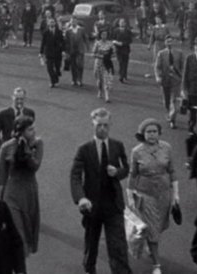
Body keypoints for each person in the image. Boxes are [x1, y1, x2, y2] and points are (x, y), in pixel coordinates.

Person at [69, 108, 132, 274]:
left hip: (113, 205)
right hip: (92, 206)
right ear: (93, 124)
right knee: (91, 245)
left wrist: (117, 172)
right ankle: (89, 269)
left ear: (110, 125)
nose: (102, 129)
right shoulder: (84, 149)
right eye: (99, 125)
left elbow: (126, 168)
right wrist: (81, 198)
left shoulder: (117, 146)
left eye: (105, 125)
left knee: (118, 247)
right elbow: (75, 176)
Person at [127, 119, 179, 274]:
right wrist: (130, 196)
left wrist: (176, 194)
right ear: (142, 134)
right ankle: (156, 265)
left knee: (160, 226)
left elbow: (172, 171)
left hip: (164, 195)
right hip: (145, 195)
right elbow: (132, 174)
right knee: (152, 229)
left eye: (154, 131)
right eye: (148, 132)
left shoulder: (167, 148)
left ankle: (151, 245)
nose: (151, 134)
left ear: (159, 133)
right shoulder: (137, 151)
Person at [0, 115, 43, 257]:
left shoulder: (38, 144)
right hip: (12, 193)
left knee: (28, 232)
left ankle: (20, 265)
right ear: (21, 131)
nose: (33, 131)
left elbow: (35, 166)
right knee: (17, 235)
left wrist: (27, 151)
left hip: (29, 193)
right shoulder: (6, 147)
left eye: (33, 128)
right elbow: (1, 175)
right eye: (30, 129)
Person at [0, 87, 36, 153]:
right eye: (17, 99)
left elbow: (32, 132)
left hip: (26, 151)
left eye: (21, 99)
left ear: (25, 99)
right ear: (12, 97)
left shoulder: (30, 113)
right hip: (8, 151)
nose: (19, 101)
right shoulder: (3, 113)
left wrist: (32, 148)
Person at [154, 35, 184, 128]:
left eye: (171, 41)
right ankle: (168, 112)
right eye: (167, 41)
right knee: (167, 100)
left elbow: (183, 66)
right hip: (165, 79)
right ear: (165, 43)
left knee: (174, 100)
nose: (169, 43)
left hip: (176, 80)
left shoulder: (179, 53)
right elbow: (157, 67)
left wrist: (182, 76)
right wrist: (158, 77)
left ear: (174, 42)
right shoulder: (161, 53)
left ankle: (172, 119)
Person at [39, 17, 65, 87]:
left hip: (57, 53)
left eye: (53, 22)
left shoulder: (59, 32)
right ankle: (52, 81)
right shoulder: (45, 33)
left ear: (55, 23)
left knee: (57, 68)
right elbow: (43, 43)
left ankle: (56, 79)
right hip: (49, 53)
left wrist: (63, 50)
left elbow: (63, 42)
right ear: (48, 23)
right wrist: (41, 52)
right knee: (49, 69)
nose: (52, 23)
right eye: (50, 22)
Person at [65, 17, 89, 87]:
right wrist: (66, 51)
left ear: (77, 22)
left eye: (75, 21)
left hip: (80, 50)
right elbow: (66, 42)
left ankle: (80, 79)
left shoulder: (81, 29)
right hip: (71, 50)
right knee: (73, 66)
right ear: (70, 22)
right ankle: (74, 79)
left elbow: (86, 38)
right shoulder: (68, 31)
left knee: (80, 65)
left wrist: (87, 47)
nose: (73, 23)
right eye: (72, 21)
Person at [92, 28, 115, 102]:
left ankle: (107, 96)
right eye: (103, 34)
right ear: (100, 35)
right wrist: (100, 56)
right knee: (99, 80)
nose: (104, 36)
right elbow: (93, 54)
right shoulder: (97, 43)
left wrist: (109, 56)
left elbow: (114, 53)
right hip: (98, 63)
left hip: (107, 64)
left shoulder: (110, 43)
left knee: (106, 79)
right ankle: (99, 90)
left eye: (106, 34)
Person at [112, 18, 133, 83]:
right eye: (121, 22)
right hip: (118, 49)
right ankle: (121, 76)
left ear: (125, 23)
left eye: (123, 22)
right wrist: (115, 43)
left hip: (125, 49)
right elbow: (113, 38)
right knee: (121, 62)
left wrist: (123, 43)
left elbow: (130, 40)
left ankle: (124, 75)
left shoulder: (128, 31)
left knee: (125, 63)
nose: (122, 23)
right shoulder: (116, 31)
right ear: (119, 23)